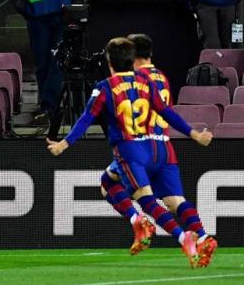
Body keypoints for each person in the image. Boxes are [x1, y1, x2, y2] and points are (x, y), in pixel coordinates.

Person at [46, 37, 213, 268]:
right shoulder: (147, 81)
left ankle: (183, 238)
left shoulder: (105, 87)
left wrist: (64, 143)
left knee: (145, 199)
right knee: (164, 197)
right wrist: (194, 134)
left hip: (130, 150)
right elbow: (166, 111)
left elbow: (86, 119)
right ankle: (200, 236)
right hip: (157, 145)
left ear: (109, 62)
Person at [99, 34, 217, 267]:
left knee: (108, 184)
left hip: (141, 144)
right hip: (164, 143)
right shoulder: (161, 76)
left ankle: (140, 222)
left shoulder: (136, 79)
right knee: (175, 201)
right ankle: (203, 237)